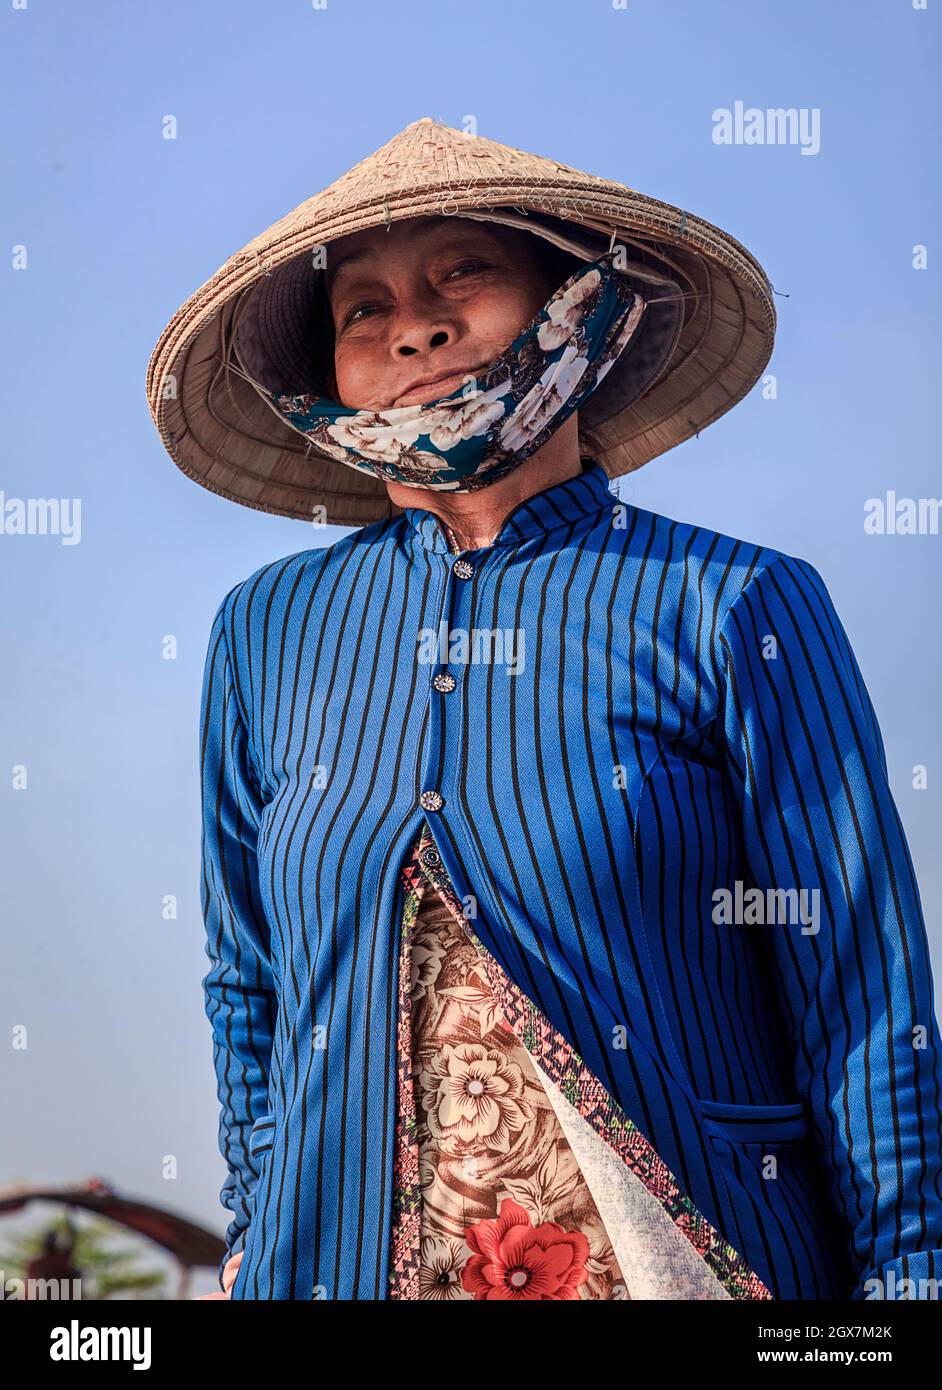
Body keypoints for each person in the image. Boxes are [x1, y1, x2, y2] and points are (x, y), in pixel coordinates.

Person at [150, 119, 942, 1301]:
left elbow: (861, 988)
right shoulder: (264, 633)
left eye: (461, 273)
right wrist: (260, 1229)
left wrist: (910, 1278)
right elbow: (247, 982)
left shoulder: (732, 603)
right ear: (330, 379)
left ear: (581, 307)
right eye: (361, 309)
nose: (410, 325)